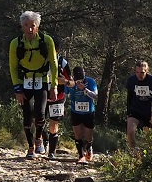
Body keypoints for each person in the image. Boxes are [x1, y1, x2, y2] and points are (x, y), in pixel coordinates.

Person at [9, 12, 57, 159]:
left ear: (38, 26)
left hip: (42, 80)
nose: (29, 29)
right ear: (22, 26)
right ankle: (30, 147)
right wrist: (17, 88)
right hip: (25, 82)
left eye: (33, 26)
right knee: (27, 114)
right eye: (26, 26)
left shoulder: (47, 40)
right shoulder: (16, 43)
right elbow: (13, 67)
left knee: (40, 113)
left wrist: (54, 86)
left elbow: (54, 64)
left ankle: (39, 139)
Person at [124, 59, 152, 154]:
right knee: (130, 131)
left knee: (149, 138)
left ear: (147, 71)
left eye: (142, 72)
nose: (139, 75)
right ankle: (133, 152)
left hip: (150, 112)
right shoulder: (131, 80)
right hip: (136, 110)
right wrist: (128, 113)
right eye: (137, 72)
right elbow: (129, 97)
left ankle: (149, 156)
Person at [64, 65, 99, 163]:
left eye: (82, 79)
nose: (80, 81)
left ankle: (89, 147)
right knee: (77, 133)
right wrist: (61, 106)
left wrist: (84, 89)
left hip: (89, 112)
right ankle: (80, 155)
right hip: (76, 111)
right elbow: (65, 95)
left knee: (88, 135)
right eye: (78, 79)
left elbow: (95, 96)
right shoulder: (70, 83)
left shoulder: (90, 81)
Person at [44, 55, 70, 158]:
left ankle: (51, 151)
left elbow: (72, 82)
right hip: (42, 95)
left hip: (58, 97)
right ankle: (45, 141)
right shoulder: (40, 59)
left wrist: (65, 82)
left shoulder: (63, 62)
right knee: (38, 120)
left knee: (53, 124)